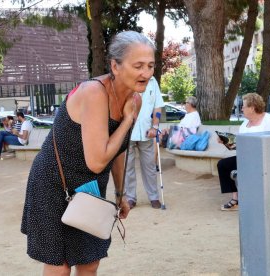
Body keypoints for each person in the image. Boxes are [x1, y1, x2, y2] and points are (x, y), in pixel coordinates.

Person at [20, 31, 155, 275]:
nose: (145, 73)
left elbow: (118, 148)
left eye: (150, 65)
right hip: (53, 182)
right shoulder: (94, 93)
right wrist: (127, 120)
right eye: (138, 66)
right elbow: (97, 161)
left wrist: (120, 191)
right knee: (59, 268)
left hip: (89, 187)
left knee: (89, 263)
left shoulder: (135, 99)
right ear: (115, 65)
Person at [218, 93, 270, 211]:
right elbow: (239, 144)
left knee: (241, 166)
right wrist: (226, 141)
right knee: (223, 165)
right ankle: (236, 199)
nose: (241, 108)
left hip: (263, 159)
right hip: (246, 157)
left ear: (252, 108)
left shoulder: (268, 120)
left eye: (244, 106)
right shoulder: (245, 124)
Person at [125, 76, 165, 209]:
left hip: (147, 131)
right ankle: (130, 198)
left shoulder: (153, 82)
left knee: (149, 166)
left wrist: (155, 126)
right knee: (127, 167)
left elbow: (157, 106)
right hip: (127, 131)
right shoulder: (126, 77)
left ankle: (153, 197)